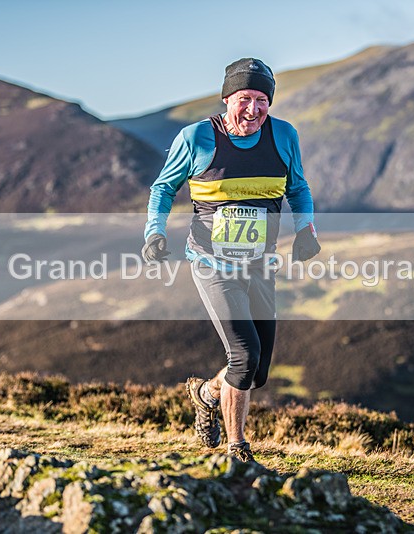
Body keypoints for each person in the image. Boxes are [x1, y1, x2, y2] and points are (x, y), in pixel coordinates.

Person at [142, 58, 320, 463]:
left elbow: (299, 188)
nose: (254, 110)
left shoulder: (284, 136)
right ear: (226, 99)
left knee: (257, 373)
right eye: (245, 99)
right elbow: (163, 188)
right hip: (212, 264)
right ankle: (236, 448)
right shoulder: (198, 138)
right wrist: (154, 231)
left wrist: (306, 229)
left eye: (262, 100)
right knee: (243, 356)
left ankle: (206, 394)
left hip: (260, 264)